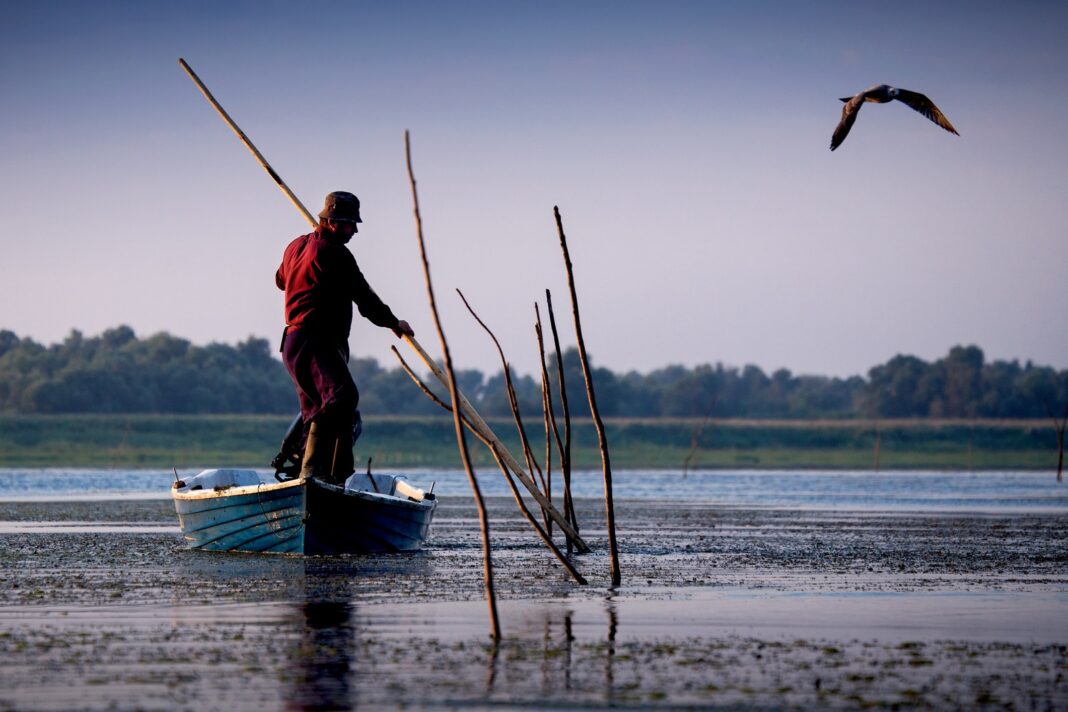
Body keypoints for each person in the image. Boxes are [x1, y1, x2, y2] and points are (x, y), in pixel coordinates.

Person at [275, 191, 414, 483]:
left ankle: (332, 476)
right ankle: (313, 473)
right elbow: (364, 298)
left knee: (321, 409)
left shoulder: (295, 246)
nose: (355, 231)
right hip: (315, 341)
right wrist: (393, 322)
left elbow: (281, 280)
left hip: (293, 345)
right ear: (332, 222)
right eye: (350, 224)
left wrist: (305, 260)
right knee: (342, 398)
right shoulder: (334, 253)